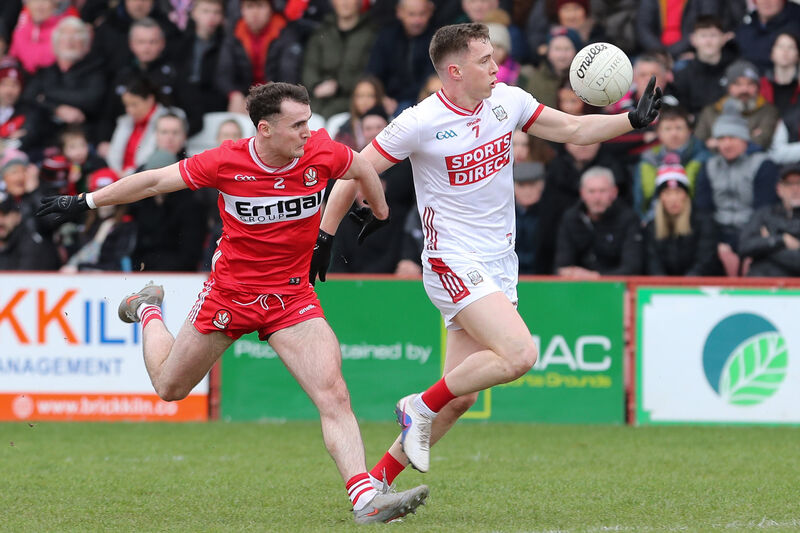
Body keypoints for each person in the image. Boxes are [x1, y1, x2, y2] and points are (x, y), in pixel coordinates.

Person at [35, 82, 429, 524]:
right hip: (230, 296)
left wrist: (376, 213)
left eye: (309, 121)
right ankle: (148, 308)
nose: (308, 131)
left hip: (291, 296)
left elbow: (361, 166)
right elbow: (152, 182)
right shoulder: (226, 160)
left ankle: (364, 500)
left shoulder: (320, 150)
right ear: (265, 129)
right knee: (170, 388)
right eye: (297, 124)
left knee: (333, 393)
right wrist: (85, 200)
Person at [313, 23, 660, 480]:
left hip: (500, 261)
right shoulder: (419, 122)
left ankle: (375, 484)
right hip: (451, 258)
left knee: (460, 399)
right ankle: (417, 405)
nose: (496, 67)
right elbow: (353, 170)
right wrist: (325, 234)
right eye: (485, 60)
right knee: (520, 354)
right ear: (454, 71)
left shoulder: (508, 101)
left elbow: (575, 129)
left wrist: (629, 120)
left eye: (495, 58)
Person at [555, 166, 644, 277]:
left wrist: (597, 277)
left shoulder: (628, 219)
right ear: (582, 194)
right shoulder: (571, 218)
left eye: (602, 191)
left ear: (614, 192)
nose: (597, 197)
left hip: (616, 287)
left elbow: (632, 267)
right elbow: (562, 264)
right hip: (578, 287)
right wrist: (569, 272)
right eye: (591, 191)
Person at [301, 0, 376, 119]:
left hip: (352, 103)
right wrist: (316, 86)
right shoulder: (321, 32)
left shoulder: (371, 35)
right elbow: (309, 66)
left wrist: (338, 86)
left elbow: (370, 74)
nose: (344, 3)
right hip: (317, 102)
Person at [643, 161, 720, 276]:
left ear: (686, 195)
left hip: (698, 288)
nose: (673, 199)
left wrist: (683, 287)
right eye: (667, 193)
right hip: (662, 289)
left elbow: (705, 261)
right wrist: (662, 285)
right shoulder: (651, 228)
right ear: (660, 198)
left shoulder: (704, 222)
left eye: (678, 192)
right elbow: (652, 263)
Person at [633, 106, 710, 219]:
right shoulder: (648, 160)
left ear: (690, 131)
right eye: (668, 129)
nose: (674, 134)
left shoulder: (704, 159)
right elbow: (639, 201)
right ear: (658, 132)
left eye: (679, 128)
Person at [694, 58, 781, 152]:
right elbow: (698, 143)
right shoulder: (711, 111)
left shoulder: (768, 111)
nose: (744, 89)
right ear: (728, 87)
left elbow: (762, 142)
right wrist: (749, 137)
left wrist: (718, 143)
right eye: (738, 84)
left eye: (750, 84)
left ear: (757, 87)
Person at [739, 164, 800, 277]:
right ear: (779, 189)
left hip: (793, 289)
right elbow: (744, 247)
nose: (795, 189)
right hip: (757, 285)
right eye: (789, 184)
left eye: (799, 183)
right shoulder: (764, 214)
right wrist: (781, 240)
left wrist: (767, 243)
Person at [671, 15, 736, 117]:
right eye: (703, 36)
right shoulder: (683, 75)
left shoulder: (735, 71)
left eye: (713, 35)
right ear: (693, 39)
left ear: (724, 38)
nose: (708, 41)